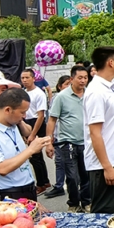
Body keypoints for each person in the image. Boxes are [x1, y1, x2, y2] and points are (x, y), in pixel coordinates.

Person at [0, 88, 51, 201]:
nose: (25, 116)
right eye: (22, 112)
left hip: (28, 186)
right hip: (10, 193)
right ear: (7, 110)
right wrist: (30, 150)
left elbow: (28, 131)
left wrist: (20, 120)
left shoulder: (12, 123)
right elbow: (2, 168)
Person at [84, 47, 114, 213]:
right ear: (110, 63)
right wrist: (106, 167)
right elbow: (95, 132)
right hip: (104, 164)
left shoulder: (109, 87)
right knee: (104, 213)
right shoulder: (96, 92)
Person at [46, 66, 90, 212]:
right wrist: (48, 142)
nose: (83, 81)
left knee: (86, 175)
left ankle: (87, 202)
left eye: (85, 77)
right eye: (80, 77)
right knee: (72, 177)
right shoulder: (61, 97)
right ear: (72, 79)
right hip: (67, 143)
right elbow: (52, 120)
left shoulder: (89, 95)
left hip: (87, 142)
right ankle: (73, 203)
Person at [21, 69, 51, 195]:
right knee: (35, 158)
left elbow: (40, 116)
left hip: (36, 123)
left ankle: (41, 184)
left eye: (27, 77)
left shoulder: (39, 93)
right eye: (22, 78)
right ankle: (44, 181)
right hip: (25, 122)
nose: (24, 80)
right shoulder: (23, 93)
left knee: (35, 156)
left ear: (34, 78)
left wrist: (33, 133)